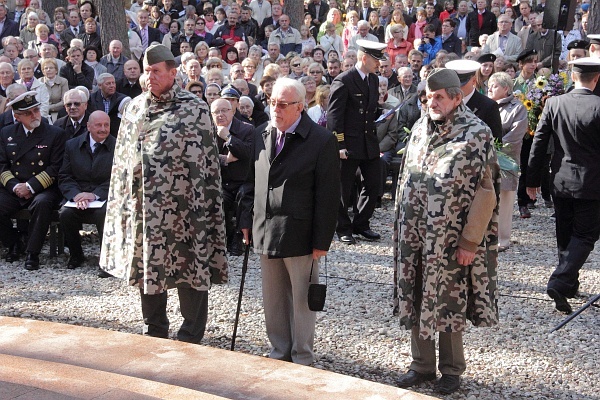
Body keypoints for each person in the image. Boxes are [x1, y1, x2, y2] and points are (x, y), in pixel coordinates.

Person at [99, 44, 228, 343]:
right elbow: (121, 163)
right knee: (149, 269)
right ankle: (154, 330)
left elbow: (207, 166)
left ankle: (190, 335)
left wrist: (205, 207)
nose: (150, 77)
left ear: (173, 73)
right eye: (146, 72)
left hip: (187, 209)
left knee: (190, 266)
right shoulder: (134, 108)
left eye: (156, 72)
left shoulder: (194, 108)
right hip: (146, 210)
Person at [394, 68, 499, 395]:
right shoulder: (420, 128)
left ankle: (452, 371)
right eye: (428, 95)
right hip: (414, 235)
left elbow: (487, 192)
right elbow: (403, 180)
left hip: (451, 240)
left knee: (449, 300)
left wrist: (470, 241)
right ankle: (421, 366)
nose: (432, 102)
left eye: (440, 97)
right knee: (415, 294)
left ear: (456, 97)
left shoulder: (476, 133)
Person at [240, 77, 340, 365]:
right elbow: (249, 183)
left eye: (282, 104)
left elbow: (329, 196)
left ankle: (302, 356)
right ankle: (279, 353)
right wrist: (247, 218)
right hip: (265, 230)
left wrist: (322, 241)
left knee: (301, 300)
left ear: (300, 106)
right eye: (272, 102)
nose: (276, 109)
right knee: (273, 300)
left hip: (301, 233)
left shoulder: (321, 140)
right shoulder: (261, 133)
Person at [526, 58, 600, 315]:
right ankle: (560, 281)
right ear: (596, 78)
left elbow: (539, 144)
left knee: (565, 232)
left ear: (572, 76)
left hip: (560, 179)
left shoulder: (554, 104)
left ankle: (568, 284)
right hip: (592, 183)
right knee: (586, 235)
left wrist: (532, 180)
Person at [327, 40, 387, 244]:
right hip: (349, 143)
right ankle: (342, 227)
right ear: (364, 58)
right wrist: (339, 144)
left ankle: (362, 224)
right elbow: (334, 116)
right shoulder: (344, 80)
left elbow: (369, 109)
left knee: (372, 184)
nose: (379, 64)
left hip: (368, 141)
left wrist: (382, 112)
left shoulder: (373, 80)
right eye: (376, 60)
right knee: (343, 188)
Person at [0, 91, 66, 270]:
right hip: (14, 187)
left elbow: (56, 167)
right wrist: (15, 187)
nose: (34, 115)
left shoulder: (54, 134)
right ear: (17, 116)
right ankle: (13, 242)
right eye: (28, 113)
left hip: (43, 187)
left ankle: (32, 252)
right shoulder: (7, 133)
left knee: (42, 203)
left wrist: (30, 186)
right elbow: (2, 165)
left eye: (36, 110)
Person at [58, 110, 114, 273]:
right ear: (88, 126)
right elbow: (64, 175)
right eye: (98, 125)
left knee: (104, 214)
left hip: (104, 197)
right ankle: (76, 254)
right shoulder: (72, 145)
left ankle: (106, 259)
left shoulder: (117, 146)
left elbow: (118, 178)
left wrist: (94, 195)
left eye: (106, 125)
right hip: (78, 196)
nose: (103, 129)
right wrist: (76, 195)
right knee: (65, 214)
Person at [488, 72, 526, 252]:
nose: (490, 89)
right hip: (485, 159)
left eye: (494, 85)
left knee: (504, 198)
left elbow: (516, 135)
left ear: (506, 88)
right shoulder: (486, 106)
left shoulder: (517, 108)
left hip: (506, 159)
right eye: (489, 85)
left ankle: (503, 238)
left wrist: (496, 150)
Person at [210, 97, 253, 256]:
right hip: (221, 181)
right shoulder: (208, 130)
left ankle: (238, 237)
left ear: (232, 111)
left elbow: (248, 153)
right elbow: (203, 156)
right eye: (216, 112)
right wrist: (224, 159)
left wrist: (229, 138)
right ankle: (222, 238)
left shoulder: (246, 129)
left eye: (224, 111)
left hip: (243, 180)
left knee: (244, 199)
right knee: (218, 200)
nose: (220, 115)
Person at [445, 59, 503, 140]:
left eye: (461, 84)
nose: (457, 87)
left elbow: (496, 142)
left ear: (473, 81)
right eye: (454, 84)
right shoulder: (445, 102)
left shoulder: (488, 106)